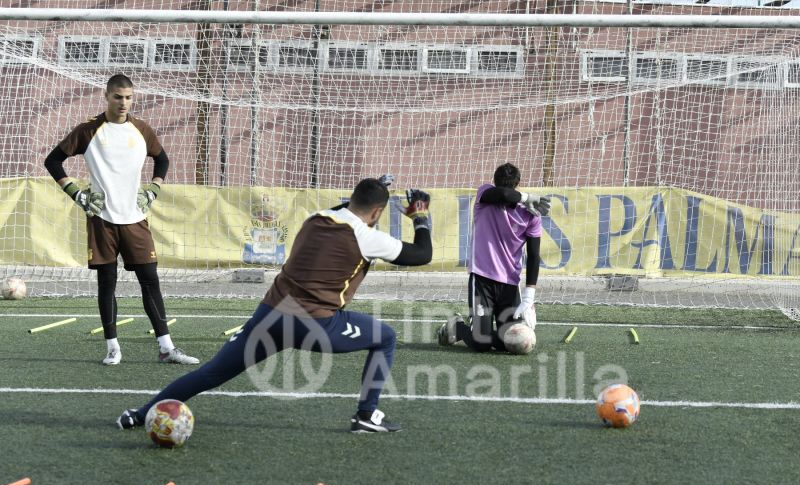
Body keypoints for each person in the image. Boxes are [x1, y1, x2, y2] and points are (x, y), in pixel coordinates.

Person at [116, 178, 433, 433]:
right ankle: (366, 414)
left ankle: (139, 414)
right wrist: (420, 216)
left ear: (351, 199)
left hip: (270, 317)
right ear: (377, 213)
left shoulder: (314, 218)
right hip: (316, 325)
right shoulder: (368, 236)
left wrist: (375, 189)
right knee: (386, 337)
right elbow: (422, 255)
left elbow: (346, 212)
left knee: (211, 372)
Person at [44, 74, 197, 366]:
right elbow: (52, 161)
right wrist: (75, 193)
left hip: (135, 219)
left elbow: (162, 160)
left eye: (128, 97)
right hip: (101, 219)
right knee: (107, 283)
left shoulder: (142, 130)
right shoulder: (89, 130)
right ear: (107, 96)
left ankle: (167, 348)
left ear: (132, 97)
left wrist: (153, 189)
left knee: (150, 282)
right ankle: (113, 348)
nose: (123, 102)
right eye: (117, 97)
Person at [438, 162, 549, 352]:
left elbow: (533, 256)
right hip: (482, 280)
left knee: (514, 340)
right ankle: (456, 326)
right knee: (481, 344)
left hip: (510, 284)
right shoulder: (486, 195)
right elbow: (504, 195)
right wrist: (527, 197)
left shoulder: (531, 214)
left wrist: (529, 298)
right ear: (518, 184)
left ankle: (502, 337)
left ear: (495, 180)